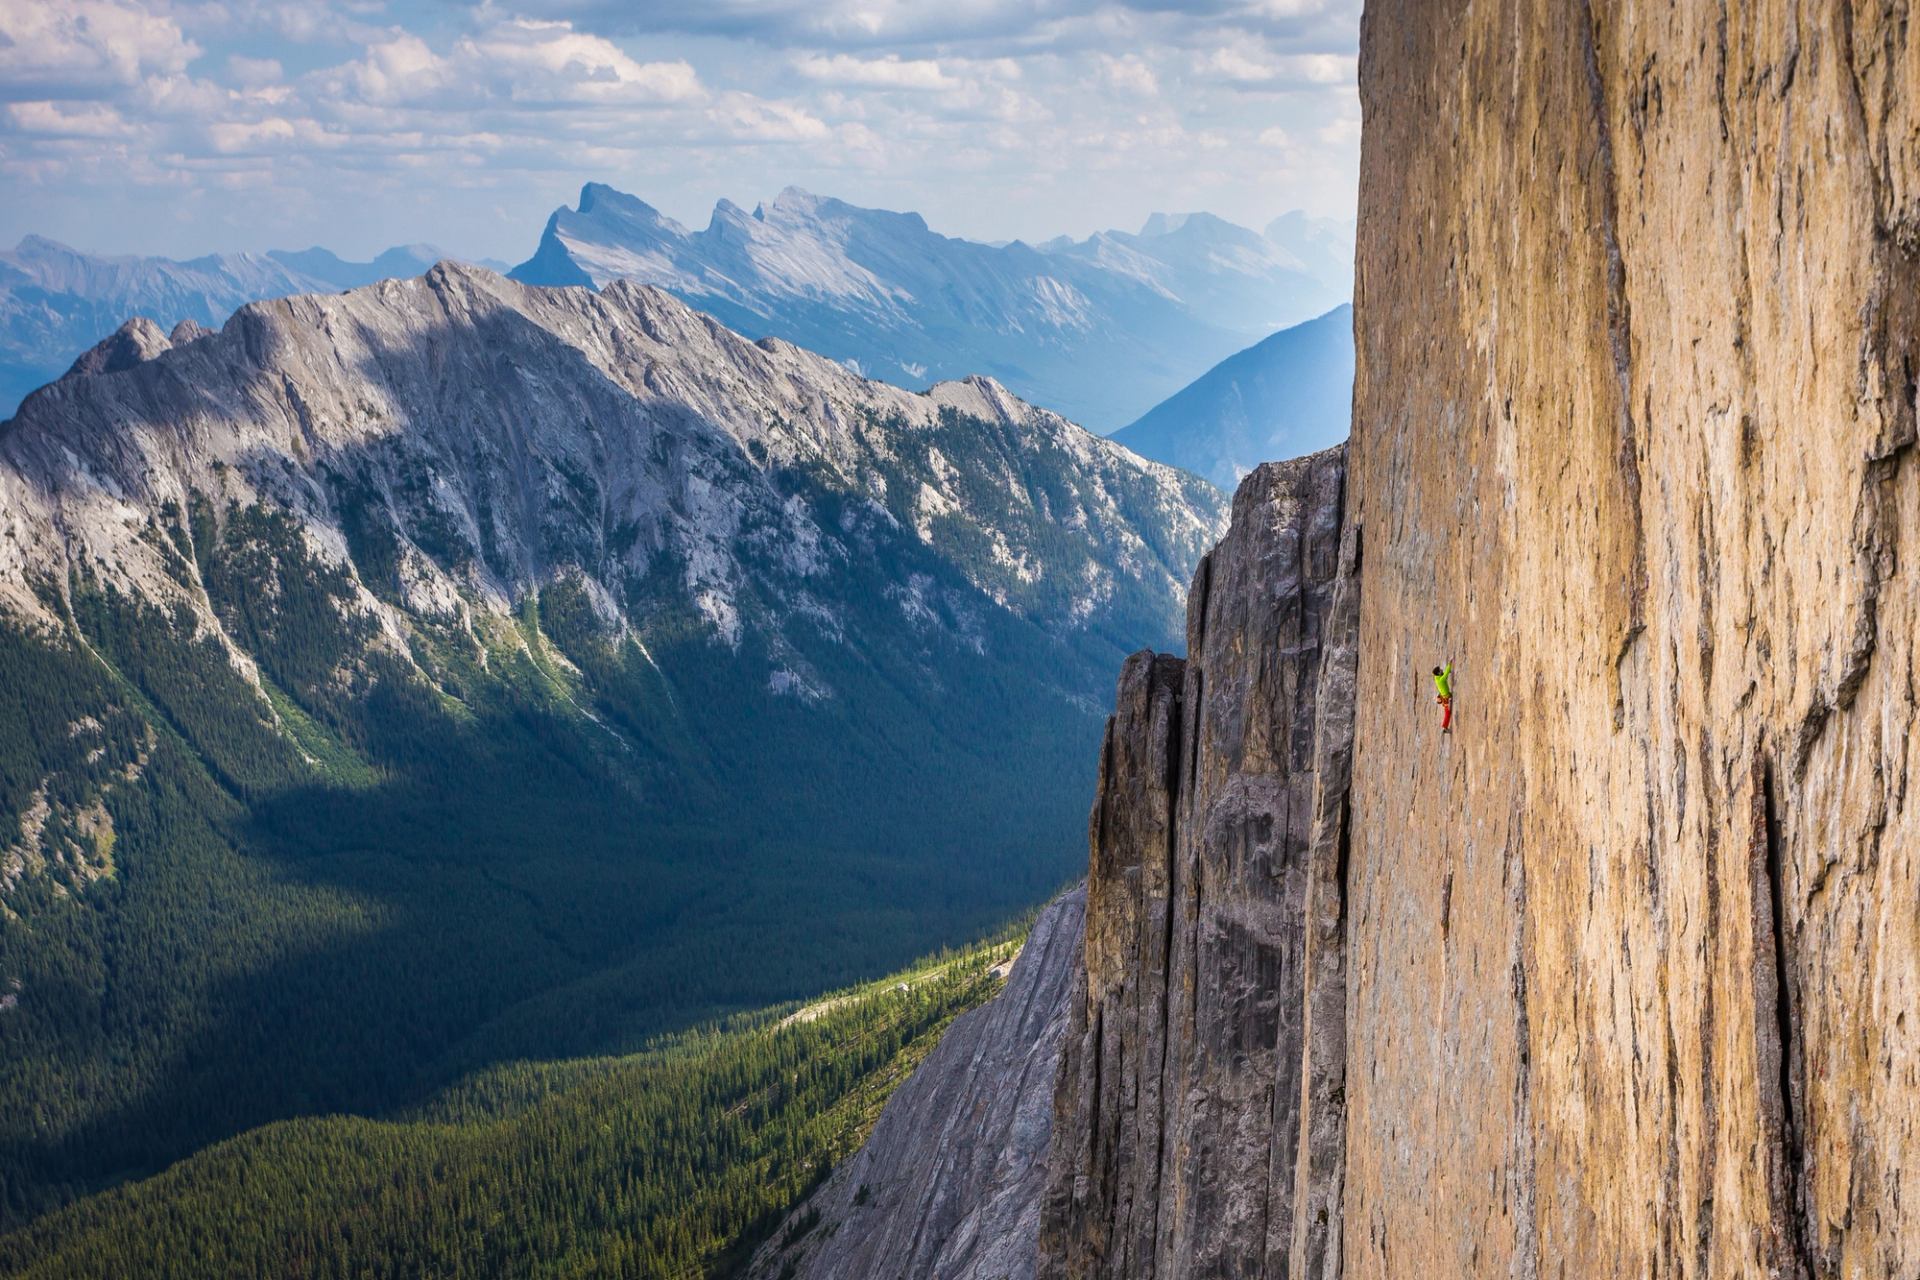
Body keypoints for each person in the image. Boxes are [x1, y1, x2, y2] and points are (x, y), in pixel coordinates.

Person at [1432, 661, 1453, 735]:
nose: (1441, 670)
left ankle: (1445, 727)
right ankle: (1445, 727)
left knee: (1447, 711)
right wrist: (1449, 665)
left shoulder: (1437, 678)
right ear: (1438, 673)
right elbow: (1445, 675)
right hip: (1446, 697)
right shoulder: (1441, 680)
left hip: (1444, 696)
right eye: (1440, 670)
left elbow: (1444, 675)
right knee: (1447, 712)